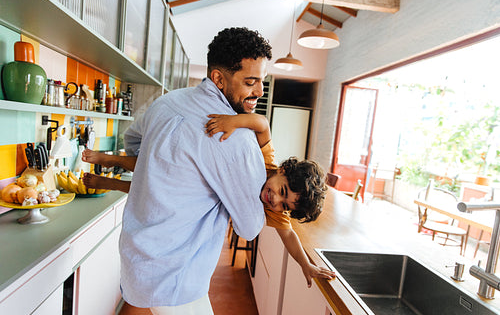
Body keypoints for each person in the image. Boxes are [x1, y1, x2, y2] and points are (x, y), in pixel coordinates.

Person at [114, 27, 272, 315]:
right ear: (218, 79)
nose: (259, 92)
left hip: (141, 258)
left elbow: (132, 140)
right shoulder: (235, 139)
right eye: (250, 82)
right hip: (177, 273)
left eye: (262, 81)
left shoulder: (166, 102)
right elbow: (250, 227)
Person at [83, 112, 335, 287]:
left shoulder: (276, 211)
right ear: (283, 171)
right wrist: (233, 122)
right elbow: (262, 124)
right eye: (282, 192)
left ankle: (111, 183)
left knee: (157, 190)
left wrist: (306, 265)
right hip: (210, 170)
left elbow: (289, 235)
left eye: (284, 205)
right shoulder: (267, 162)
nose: (275, 201)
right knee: (154, 168)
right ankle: (109, 159)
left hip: (204, 195)